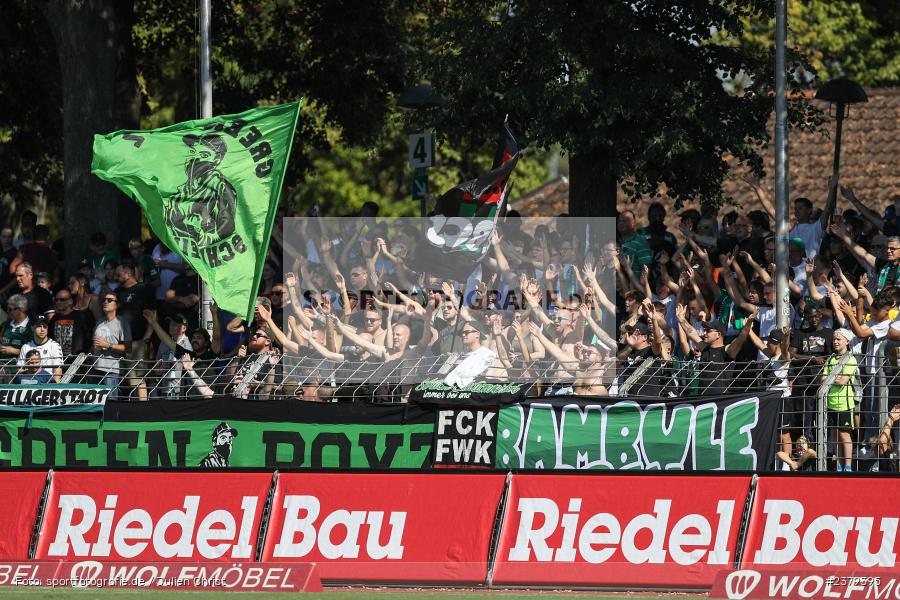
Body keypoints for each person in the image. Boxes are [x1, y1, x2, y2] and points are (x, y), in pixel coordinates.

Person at [823, 328, 859, 472]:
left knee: (845, 435)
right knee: (835, 435)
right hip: (830, 402)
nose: (836, 342)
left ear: (847, 341)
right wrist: (833, 378)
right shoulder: (830, 358)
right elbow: (822, 379)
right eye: (834, 339)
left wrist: (830, 378)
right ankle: (838, 465)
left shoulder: (851, 358)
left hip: (844, 403)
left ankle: (848, 466)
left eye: (839, 339)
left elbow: (842, 381)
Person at [92, 292, 132, 397]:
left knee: (110, 404)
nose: (105, 302)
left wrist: (108, 345)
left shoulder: (122, 323)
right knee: (95, 404)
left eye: (110, 300)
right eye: (104, 300)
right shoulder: (100, 321)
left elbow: (128, 348)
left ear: (117, 305)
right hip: (95, 368)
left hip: (111, 371)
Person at [49, 288, 95, 357]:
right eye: (56, 300)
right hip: (58, 361)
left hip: (77, 362)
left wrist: (85, 354)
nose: (58, 302)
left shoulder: (81, 316)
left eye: (62, 300)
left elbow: (89, 336)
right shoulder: (54, 319)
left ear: (70, 301)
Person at [17, 315, 63, 383]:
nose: (42, 329)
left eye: (45, 327)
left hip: (47, 384)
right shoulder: (26, 346)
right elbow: (19, 370)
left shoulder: (54, 346)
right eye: (39, 326)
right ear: (32, 328)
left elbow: (57, 373)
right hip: (27, 383)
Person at [0, 294, 31, 359]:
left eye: (10, 309)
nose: (8, 311)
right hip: (3, 365)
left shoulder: (31, 327)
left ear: (21, 309)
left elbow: (37, 351)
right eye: (7, 309)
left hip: (20, 366)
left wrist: (15, 351)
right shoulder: (5, 324)